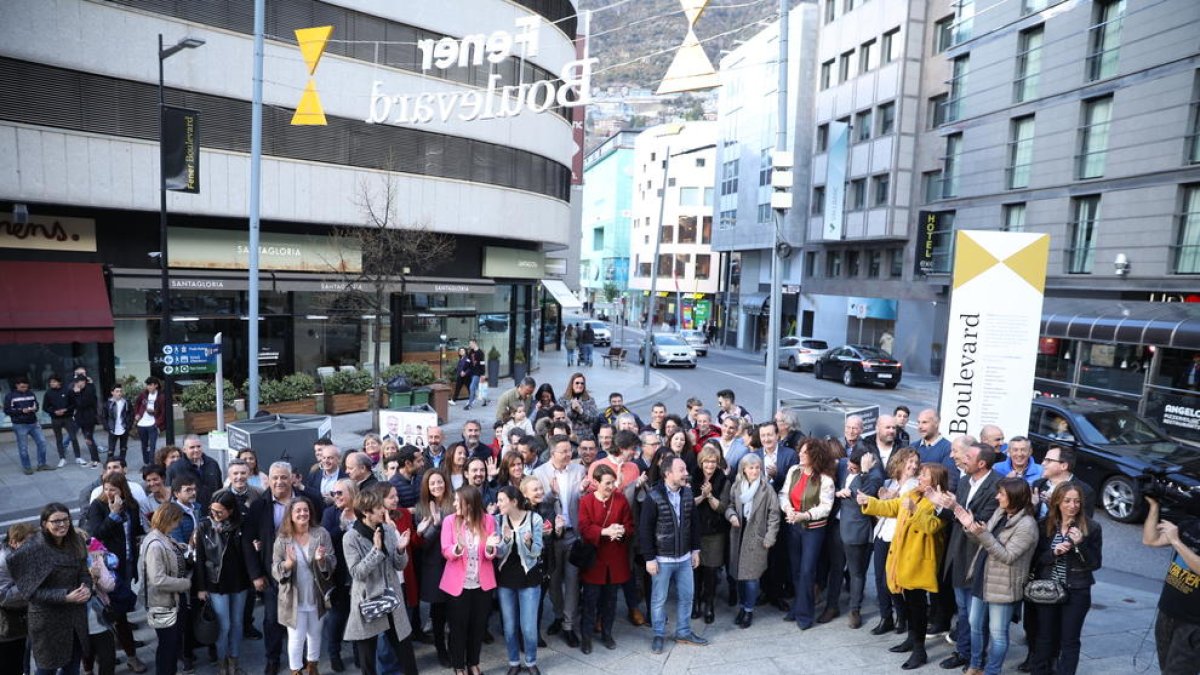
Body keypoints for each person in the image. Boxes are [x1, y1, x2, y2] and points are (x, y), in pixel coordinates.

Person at [857, 462, 951, 670]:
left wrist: (916, 510)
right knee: (908, 603)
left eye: (925, 475)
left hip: (919, 562)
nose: (920, 477)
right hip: (902, 558)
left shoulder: (943, 501)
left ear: (935, 479)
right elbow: (892, 507)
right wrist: (869, 502)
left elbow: (932, 526)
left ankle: (920, 650)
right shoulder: (913, 493)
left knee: (917, 606)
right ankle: (911, 639)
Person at [927, 443, 1000, 669]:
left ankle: (976, 660)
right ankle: (963, 652)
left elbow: (981, 522)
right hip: (958, 553)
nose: (962, 459)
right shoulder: (966, 481)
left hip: (978, 556)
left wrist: (955, 506)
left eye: (968, 456)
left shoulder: (997, 485)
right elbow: (953, 514)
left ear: (982, 463)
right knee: (963, 609)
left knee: (975, 616)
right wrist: (939, 505)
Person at [958, 477, 1038, 675]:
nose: (997, 497)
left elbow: (1008, 556)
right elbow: (983, 540)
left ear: (1015, 497)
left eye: (1001, 494)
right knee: (974, 624)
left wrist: (984, 534)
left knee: (998, 634)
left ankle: (992, 671)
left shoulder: (1027, 525)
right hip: (982, 577)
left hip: (1003, 586)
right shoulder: (1001, 512)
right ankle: (975, 666)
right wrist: (970, 527)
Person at [343, 488, 417, 675]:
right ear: (366, 513)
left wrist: (400, 550)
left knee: (406, 653)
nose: (383, 511)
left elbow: (399, 565)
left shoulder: (388, 529)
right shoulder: (351, 538)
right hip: (368, 601)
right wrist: (376, 551)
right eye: (378, 508)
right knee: (368, 659)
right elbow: (357, 573)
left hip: (392, 598)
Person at [639, 456, 708, 654]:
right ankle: (658, 634)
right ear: (668, 473)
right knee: (658, 599)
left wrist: (696, 550)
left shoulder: (687, 493)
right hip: (662, 559)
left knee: (687, 596)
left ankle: (684, 632)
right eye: (682, 470)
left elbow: (694, 523)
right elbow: (645, 530)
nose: (686, 473)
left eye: (685, 469)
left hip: (685, 558)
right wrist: (649, 558)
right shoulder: (653, 496)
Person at [1032, 484, 1103, 675]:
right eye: (1068, 501)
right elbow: (1036, 560)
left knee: (1069, 640)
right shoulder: (1044, 525)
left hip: (1076, 590)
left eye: (1077, 501)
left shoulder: (1092, 528)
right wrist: (1053, 552)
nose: (1073, 505)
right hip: (1048, 588)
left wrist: (1080, 545)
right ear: (1057, 502)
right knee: (1045, 636)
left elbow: (1094, 564)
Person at [83, 474, 147, 674]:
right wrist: (112, 514)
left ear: (122, 490)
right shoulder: (97, 506)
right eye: (106, 488)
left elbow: (135, 531)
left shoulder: (132, 505)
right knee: (109, 614)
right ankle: (96, 661)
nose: (109, 493)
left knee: (121, 612)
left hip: (126, 563)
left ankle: (128, 655)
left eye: (113, 489)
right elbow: (96, 534)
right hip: (106, 569)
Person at [245, 462, 299, 675]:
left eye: (283, 477)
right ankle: (273, 659)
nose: (279, 482)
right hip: (271, 574)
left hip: (301, 572)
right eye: (275, 477)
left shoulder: (306, 501)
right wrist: (256, 575)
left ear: (292, 477)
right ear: (269, 479)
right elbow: (248, 542)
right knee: (271, 620)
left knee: (300, 617)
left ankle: (302, 657)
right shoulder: (259, 505)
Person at [533, 435, 587, 648]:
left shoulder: (579, 470)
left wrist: (583, 492)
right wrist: (551, 494)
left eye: (569, 451)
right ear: (552, 453)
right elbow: (537, 502)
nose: (568, 455)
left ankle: (568, 624)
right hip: (551, 538)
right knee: (554, 581)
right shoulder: (539, 473)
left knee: (573, 582)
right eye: (564, 451)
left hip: (574, 535)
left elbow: (583, 501)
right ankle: (557, 615)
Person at [440, 485, 499, 675]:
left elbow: (490, 555)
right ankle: (459, 666)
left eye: (458, 501)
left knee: (478, 626)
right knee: (458, 628)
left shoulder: (488, 520)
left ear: (470, 504)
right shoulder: (450, 521)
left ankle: (473, 663)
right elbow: (446, 551)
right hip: (458, 585)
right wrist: (458, 547)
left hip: (482, 584)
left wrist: (490, 548)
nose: (454, 504)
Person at [778, 438, 836, 631]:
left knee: (807, 571)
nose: (800, 455)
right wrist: (788, 509)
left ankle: (805, 614)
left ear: (815, 456)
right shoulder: (794, 471)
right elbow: (784, 494)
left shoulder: (825, 480)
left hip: (813, 530)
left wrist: (805, 515)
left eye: (805, 452)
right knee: (794, 569)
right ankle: (797, 606)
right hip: (793, 526)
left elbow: (825, 507)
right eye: (800, 451)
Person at [272, 498, 334, 675]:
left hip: (317, 594)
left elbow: (333, 561)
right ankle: (296, 670)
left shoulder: (321, 533)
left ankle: (312, 666)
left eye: (305, 510)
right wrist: (288, 565)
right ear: (290, 515)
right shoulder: (283, 539)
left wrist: (322, 561)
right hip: (293, 597)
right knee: (296, 637)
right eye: (298, 511)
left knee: (315, 633)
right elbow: (274, 569)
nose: (302, 513)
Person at [577, 463, 634, 654]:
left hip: (615, 558)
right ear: (596, 482)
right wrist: (604, 531)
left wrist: (621, 531)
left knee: (610, 601)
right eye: (607, 483)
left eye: (613, 483)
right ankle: (586, 637)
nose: (611, 487)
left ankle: (607, 633)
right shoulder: (586, 501)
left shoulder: (620, 500)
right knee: (590, 601)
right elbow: (584, 528)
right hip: (594, 560)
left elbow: (630, 524)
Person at [194, 491, 253, 675]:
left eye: (220, 512)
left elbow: (248, 552)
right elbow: (200, 558)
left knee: (237, 623)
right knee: (224, 625)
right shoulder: (204, 525)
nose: (215, 515)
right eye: (213, 510)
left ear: (231, 510)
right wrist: (201, 587)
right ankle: (221, 661)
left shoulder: (242, 523)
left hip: (239, 581)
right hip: (215, 582)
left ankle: (234, 660)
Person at [722, 453, 779, 629]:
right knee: (739, 575)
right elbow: (730, 505)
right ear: (744, 469)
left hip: (756, 536)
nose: (754, 471)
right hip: (738, 534)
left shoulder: (766, 489)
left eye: (757, 467)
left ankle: (748, 610)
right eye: (751, 467)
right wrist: (731, 515)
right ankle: (742, 607)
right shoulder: (737, 486)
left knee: (752, 578)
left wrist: (770, 537)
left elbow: (774, 514)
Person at [830, 448, 883, 629]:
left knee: (856, 572)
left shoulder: (873, 475)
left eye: (855, 468)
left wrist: (865, 473)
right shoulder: (844, 465)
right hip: (838, 526)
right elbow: (834, 485)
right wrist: (838, 492)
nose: (850, 469)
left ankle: (855, 610)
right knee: (836, 569)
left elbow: (864, 497)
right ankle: (831, 606)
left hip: (857, 530)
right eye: (850, 467)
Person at [493, 485, 545, 672]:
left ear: (514, 502)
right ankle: (514, 662)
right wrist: (505, 541)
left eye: (501, 500)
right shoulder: (497, 520)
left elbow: (537, 551)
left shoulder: (534, 519)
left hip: (529, 578)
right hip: (505, 579)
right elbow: (496, 553)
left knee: (529, 628)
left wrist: (528, 542)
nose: (498, 504)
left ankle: (531, 661)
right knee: (509, 627)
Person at [870, 448, 920, 636]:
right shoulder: (888, 482)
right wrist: (881, 502)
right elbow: (879, 511)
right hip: (882, 533)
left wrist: (892, 499)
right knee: (878, 578)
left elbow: (907, 511)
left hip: (898, 537)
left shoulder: (915, 486)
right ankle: (886, 617)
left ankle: (902, 615)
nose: (913, 466)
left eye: (916, 463)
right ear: (899, 462)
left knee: (890, 580)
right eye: (910, 461)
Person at [139, 503, 193, 675]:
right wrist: (185, 584)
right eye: (176, 520)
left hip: (170, 601)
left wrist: (181, 547)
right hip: (163, 603)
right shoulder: (156, 544)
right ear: (169, 519)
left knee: (170, 645)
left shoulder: (162, 537)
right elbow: (158, 579)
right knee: (167, 648)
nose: (178, 524)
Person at [414, 470, 454, 667]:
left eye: (440, 482)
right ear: (426, 487)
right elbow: (421, 544)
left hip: (455, 564)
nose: (437, 486)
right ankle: (441, 650)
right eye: (432, 484)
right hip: (434, 567)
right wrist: (435, 526)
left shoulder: (454, 503)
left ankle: (456, 648)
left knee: (455, 611)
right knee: (437, 613)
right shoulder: (421, 509)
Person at [318, 479, 358, 673]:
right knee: (337, 616)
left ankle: (360, 654)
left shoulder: (362, 511)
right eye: (334, 494)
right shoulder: (330, 514)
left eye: (341, 493)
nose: (337, 497)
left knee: (359, 615)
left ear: (352, 493)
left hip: (360, 572)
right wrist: (341, 527)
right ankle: (334, 654)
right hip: (339, 573)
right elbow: (324, 540)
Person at [689, 446, 727, 625]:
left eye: (713, 461)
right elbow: (688, 503)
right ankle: (695, 602)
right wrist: (702, 496)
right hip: (695, 531)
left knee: (711, 571)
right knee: (695, 570)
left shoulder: (723, 479)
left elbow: (722, 507)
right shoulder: (692, 477)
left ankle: (709, 604)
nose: (710, 465)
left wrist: (710, 496)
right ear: (701, 462)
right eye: (706, 461)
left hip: (715, 532)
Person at [0, 522, 35, 672]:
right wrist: (31, 582)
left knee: (19, 662)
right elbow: (3, 596)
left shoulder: (20, 556)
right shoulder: (4, 562)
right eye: (27, 542)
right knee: (10, 665)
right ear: (13, 542)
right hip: (7, 624)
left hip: (19, 620)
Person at [82, 536, 117, 675]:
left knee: (104, 657)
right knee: (103, 657)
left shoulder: (94, 559)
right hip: (88, 618)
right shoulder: (93, 558)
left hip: (98, 618)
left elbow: (109, 586)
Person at [1032, 447, 1096, 520]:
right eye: (1044, 460)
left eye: (1048, 460)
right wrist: (1033, 507)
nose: (1042, 464)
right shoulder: (1038, 484)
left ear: (1064, 466)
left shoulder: (1085, 491)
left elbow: (1084, 525)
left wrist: (1055, 507)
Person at [4, 376, 51, 474]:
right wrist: (21, 410)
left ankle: (42, 464)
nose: (24, 389)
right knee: (23, 447)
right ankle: (27, 467)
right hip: (20, 424)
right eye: (22, 387)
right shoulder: (10, 396)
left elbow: (37, 405)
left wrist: (34, 408)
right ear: (17, 386)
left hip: (33, 422)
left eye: (26, 387)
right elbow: (7, 410)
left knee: (42, 442)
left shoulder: (31, 393)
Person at [168, 436, 224, 507]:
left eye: (198, 446)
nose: (196, 450)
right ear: (184, 450)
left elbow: (219, 488)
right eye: (192, 447)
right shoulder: (175, 468)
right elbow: (170, 494)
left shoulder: (212, 464)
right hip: (189, 512)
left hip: (212, 511)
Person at [44, 374, 85, 467]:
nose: (52, 383)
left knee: (73, 437)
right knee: (59, 439)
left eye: (54, 382)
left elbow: (74, 404)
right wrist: (54, 411)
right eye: (50, 382)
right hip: (55, 419)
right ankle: (62, 458)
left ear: (59, 382)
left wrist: (66, 410)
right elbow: (45, 407)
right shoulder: (48, 393)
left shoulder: (67, 391)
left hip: (67, 418)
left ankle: (78, 457)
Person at [132, 377, 166, 465]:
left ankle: (152, 464)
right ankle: (146, 463)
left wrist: (157, 423)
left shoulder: (161, 397)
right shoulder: (143, 394)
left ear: (156, 385)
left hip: (153, 424)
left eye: (151, 385)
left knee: (152, 445)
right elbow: (137, 404)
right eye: (148, 385)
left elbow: (163, 412)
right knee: (144, 445)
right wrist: (136, 414)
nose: (149, 387)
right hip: (142, 423)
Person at [70, 374, 102, 467]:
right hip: (81, 419)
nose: (76, 384)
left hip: (89, 419)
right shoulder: (81, 390)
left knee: (89, 439)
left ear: (83, 382)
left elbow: (81, 404)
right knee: (88, 439)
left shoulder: (89, 391)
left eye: (78, 382)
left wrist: (77, 393)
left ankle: (96, 460)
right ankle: (93, 459)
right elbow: (74, 403)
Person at [557, 373, 599, 441]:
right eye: (577, 383)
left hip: (587, 437)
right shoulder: (562, 399)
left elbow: (594, 418)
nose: (580, 385)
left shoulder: (589, 399)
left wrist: (581, 411)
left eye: (582, 383)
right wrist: (572, 409)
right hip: (569, 436)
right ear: (572, 384)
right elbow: (561, 418)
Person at [101, 385, 133, 463]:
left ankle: (122, 464)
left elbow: (131, 413)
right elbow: (104, 416)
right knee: (111, 449)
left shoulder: (126, 402)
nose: (119, 393)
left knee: (123, 448)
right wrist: (107, 427)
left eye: (120, 391)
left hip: (124, 428)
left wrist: (129, 425)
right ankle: (109, 465)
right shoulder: (108, 403)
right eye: (117, 391)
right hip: (113, 428)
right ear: (112, 393)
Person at [465, 339, 486, 411]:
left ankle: (469, 404)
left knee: (472, 387)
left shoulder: (480, 353)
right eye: (469, 344)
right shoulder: (471, 352)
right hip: (472, 372)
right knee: (477, 389)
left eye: (471, 343)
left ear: (475, 343)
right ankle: (485, 400)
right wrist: (463, 370)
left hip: (477, 373)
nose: (470, 345)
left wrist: (483, 374)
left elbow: (482, 364)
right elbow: (468, 361)